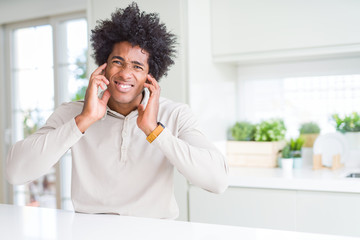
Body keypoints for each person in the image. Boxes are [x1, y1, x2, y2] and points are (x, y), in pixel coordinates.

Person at [6, 2, 228, 219]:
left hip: (155, 233)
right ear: (104, 65)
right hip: (89, 232)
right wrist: (84, 120)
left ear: (151, 76)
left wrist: (154, 131)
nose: (125, 74)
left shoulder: (175, 114)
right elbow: (15, 172)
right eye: (118, 62)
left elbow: (217, 181)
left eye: (137, 66)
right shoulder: (72, 113)